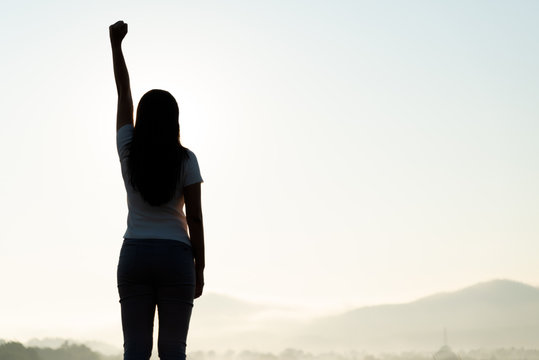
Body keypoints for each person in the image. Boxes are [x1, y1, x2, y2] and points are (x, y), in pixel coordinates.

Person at [110, 20, 205, 360]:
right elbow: (193, 216)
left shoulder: (128, 150)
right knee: (172, 350)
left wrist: (116, 46)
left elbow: (123, 94)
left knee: (135, 349)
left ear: (143, 119)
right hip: (175, 256)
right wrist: (200, 267)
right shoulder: (186, 160)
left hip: (134, 253)